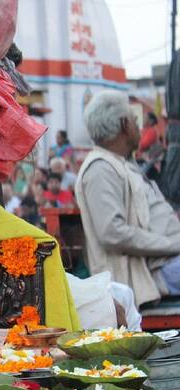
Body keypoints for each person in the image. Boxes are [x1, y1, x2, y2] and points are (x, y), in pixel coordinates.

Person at [75, 90, 180, 307]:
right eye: (134, 119)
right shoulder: (100, 169)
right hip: (155, 272)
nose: (138, 125)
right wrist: (171, 244)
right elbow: (112, 233)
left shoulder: (120, 163)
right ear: (124, 125)